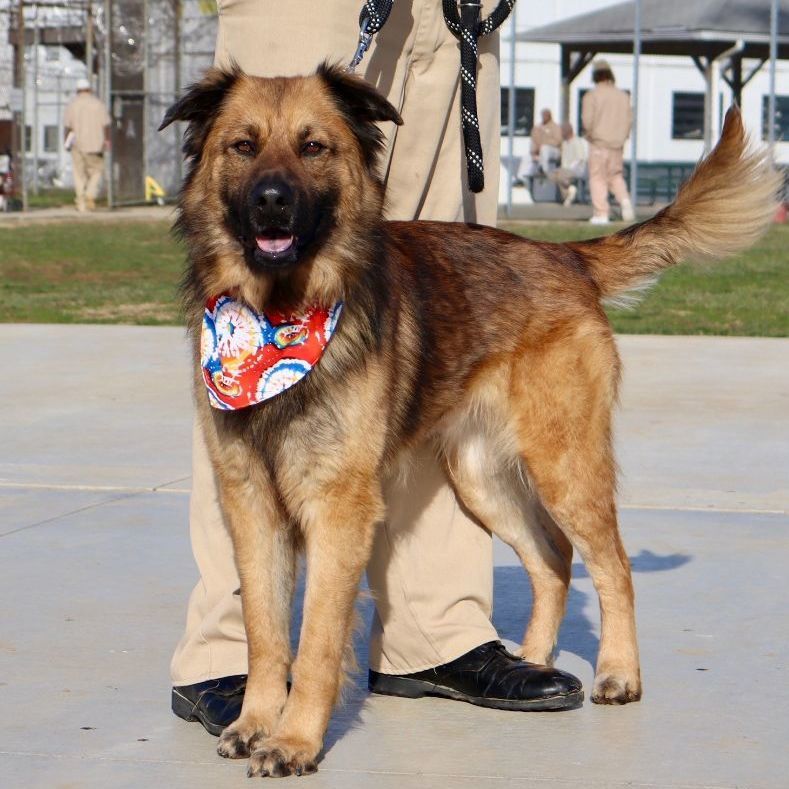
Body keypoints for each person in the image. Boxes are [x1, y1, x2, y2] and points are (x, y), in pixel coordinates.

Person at [170, 0, 582, 738]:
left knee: (431, 337)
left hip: (451, 15)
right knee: (244, 432)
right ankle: (234, 657)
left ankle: (432, 632)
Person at [581, 59, 634, 224]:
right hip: (617, 144)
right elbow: (628, 121)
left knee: (597, 177)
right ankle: (625, 201)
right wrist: (622, 137)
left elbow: (587, 121)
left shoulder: (592, 95)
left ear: (595, 76)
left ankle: (601, 213)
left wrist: (589, 134)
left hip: (598, 142)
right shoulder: (623, 96)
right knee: (616, 176)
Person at [63, 78, 110, 212]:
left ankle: (81, 202)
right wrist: (106, 140)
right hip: (96, 144)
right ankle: (90, 194)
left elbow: (67, 126)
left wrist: (66, 141)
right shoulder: (98, 104)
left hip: (77, 143)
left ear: (77, 91)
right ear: (90, 90)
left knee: (79, 173)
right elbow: (106, 124)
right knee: (96, 171)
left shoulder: (72, 105)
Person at [548, 122, 587, 207]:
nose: (561, 133)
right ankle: (569, 191)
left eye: (562, 131)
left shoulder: (577, 142)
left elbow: (580, 159)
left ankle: (569, 193)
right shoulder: (564, 143)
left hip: (576, 169)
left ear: (568, 131)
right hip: (565, 169)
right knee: (551, 175)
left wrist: (567, 169)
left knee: (561, 174)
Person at [529, 108, 562, 174]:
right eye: (543, 115)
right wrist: (534, 151)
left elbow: (557, 141)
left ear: (549, 116)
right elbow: (533, 140)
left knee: (544, 148)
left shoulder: (555, 127)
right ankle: (521, 180)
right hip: (540, 151)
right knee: (527, 158)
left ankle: (544, 170)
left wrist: (544, 142)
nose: (544, 117)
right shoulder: (537, 127)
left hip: (554, 151)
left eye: (546, 115)